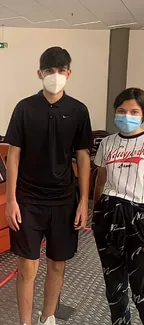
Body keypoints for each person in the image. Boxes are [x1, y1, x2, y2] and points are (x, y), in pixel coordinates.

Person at [5, 47, 92, 325]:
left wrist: (82, 202)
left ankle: (48, 317)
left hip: (64, 200)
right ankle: (25, 322)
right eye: (49, 71)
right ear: (39, 73)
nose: (55, 76)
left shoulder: (78, 110)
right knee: (27, 266)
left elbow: (83, 157)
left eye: (61, 71)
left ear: (69, 73)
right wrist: (11, 200)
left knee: (57, 263)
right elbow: (13, 154)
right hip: (28, 200)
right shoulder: (25, 108)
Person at [92, 88, 144, 325]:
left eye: (133, 111)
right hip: (109, 217)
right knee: (114, 288)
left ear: (143, 114)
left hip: (142, 219)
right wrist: (98, 214)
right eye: (121, 111)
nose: (126, 115)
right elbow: (100, 180)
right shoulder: (107, 143)